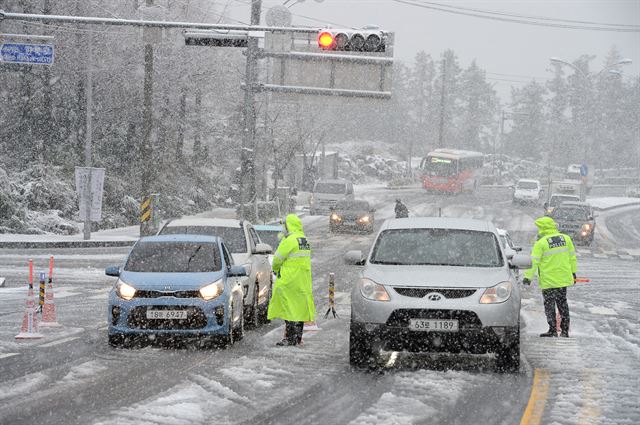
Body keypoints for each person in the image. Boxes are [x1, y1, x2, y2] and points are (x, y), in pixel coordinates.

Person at [522, 216, 577, 338]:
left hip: (548, 280)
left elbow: (534, 262)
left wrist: (528, 277)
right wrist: (573, 272)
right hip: (562, 279)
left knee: (549, 305)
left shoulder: (541, 243)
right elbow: (572, 257)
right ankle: (564, 331)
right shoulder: (566, 239)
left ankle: (552, 329)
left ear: (542, 228)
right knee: (563, 304)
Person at [268, 214, 316, 346]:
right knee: (299, 309)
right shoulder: (304, 240)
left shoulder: (289, 240)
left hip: (289, 280)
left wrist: (276, 269)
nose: (283, 228)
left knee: (288, 308)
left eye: (284, 225)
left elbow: (277, 259)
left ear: (289, 225)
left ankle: (289, 338)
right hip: (303, 280)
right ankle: (297, 337)